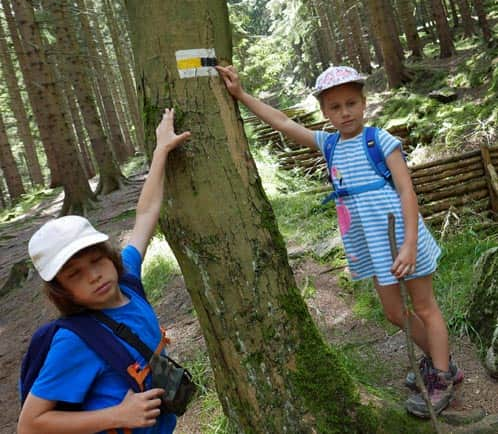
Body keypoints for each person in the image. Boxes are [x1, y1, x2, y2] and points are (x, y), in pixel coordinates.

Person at [217, 64, 463, 417]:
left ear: (363, 103)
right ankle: (446, 364)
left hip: (402, 234)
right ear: (325, 112)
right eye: (335, 107)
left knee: (424, 306)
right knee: (395, 312)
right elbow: (285, 124)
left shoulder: (380, 141)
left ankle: (440, 378)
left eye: (351, 103)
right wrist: (241, 95)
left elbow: (407, 191)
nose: (345, 112)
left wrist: (409, 243)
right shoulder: (329, 144)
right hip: (374, 244)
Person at [17, 108, 190, 434]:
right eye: (74, 274)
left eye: (96, 261)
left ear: (109, 257)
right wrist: (118, 416)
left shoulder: (128, 282)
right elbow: (30, 424)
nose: (94, 275)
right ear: (61, 290)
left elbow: (146, 213)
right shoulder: (76, 340)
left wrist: (161, 150)